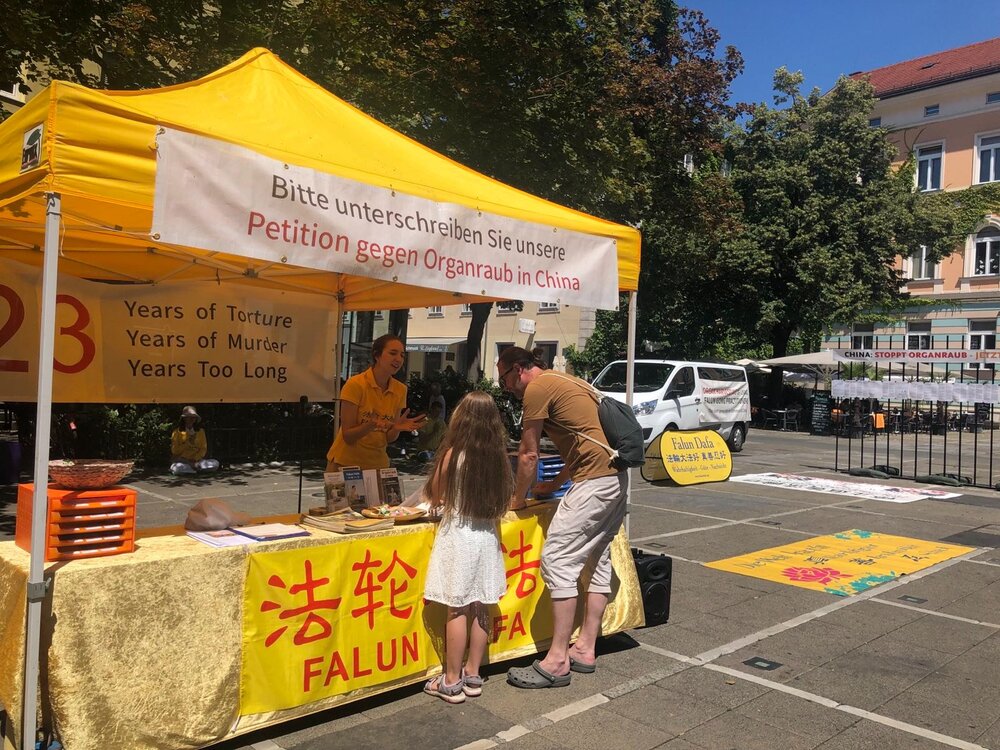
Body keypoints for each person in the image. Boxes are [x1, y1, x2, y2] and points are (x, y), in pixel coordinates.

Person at [498, 347, 628, 689]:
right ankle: (585, 648)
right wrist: (552, 485)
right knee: (596, 559)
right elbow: (582, 444)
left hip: (594, 483)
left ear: (519, 369)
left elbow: (528, 453)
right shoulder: (567, 380)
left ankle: (556, 661)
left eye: (504, 378)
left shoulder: (537, 389)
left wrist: (519, 498)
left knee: (557, 560)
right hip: (614, 477)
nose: (506, 387)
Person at [421, 391, 513, 703]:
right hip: (486, 537)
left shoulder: (453, 454)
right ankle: (473, 674)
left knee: (456, 606)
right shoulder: (498, 458)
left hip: (458, 537)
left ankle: (450, 681)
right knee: (481, 605)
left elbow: (435, 493)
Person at [325, 334, 426, 471]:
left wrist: (396, 428)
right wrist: (370, 425)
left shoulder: (400, 389)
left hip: (378, 465)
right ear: (377, 356)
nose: (398, 359)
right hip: (345, 464)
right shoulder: (355, 384)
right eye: (392, 353)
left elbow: (389, 438)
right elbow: (348, 436)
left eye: (402, 355)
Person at [170, 406, 220, 475]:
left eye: (193, 417)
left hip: (197, 461)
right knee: (177, 468)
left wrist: (195, 459)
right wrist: (187, 443)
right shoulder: (176, 432)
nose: (192, 419)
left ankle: (194, 469)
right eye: (189, 417)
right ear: (184, 418)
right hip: (183, 461)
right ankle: (195, 470)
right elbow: (174, 451)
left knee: (215, 463)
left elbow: (203, 449)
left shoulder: (201, 432)